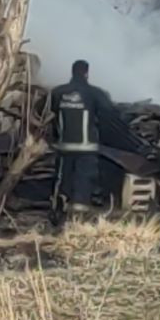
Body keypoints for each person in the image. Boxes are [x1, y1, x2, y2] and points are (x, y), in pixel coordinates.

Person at [47, 60, 112, 224]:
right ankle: (79, 213)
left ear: (72, 72)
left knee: (63, 177)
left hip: (64, 146)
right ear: (86, 73)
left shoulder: (57, 92)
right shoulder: (95, 93)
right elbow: (109, 115)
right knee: (84, 178)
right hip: (87, 147)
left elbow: (45, 112)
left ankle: (59, 204)